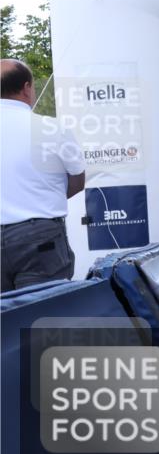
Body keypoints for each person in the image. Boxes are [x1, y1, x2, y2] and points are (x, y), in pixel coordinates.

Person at [1, 59, 85, 291]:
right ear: (27, 88)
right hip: (40, 238)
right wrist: (43, 199)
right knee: (42, 317)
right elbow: (78, 180)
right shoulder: (52, 128)